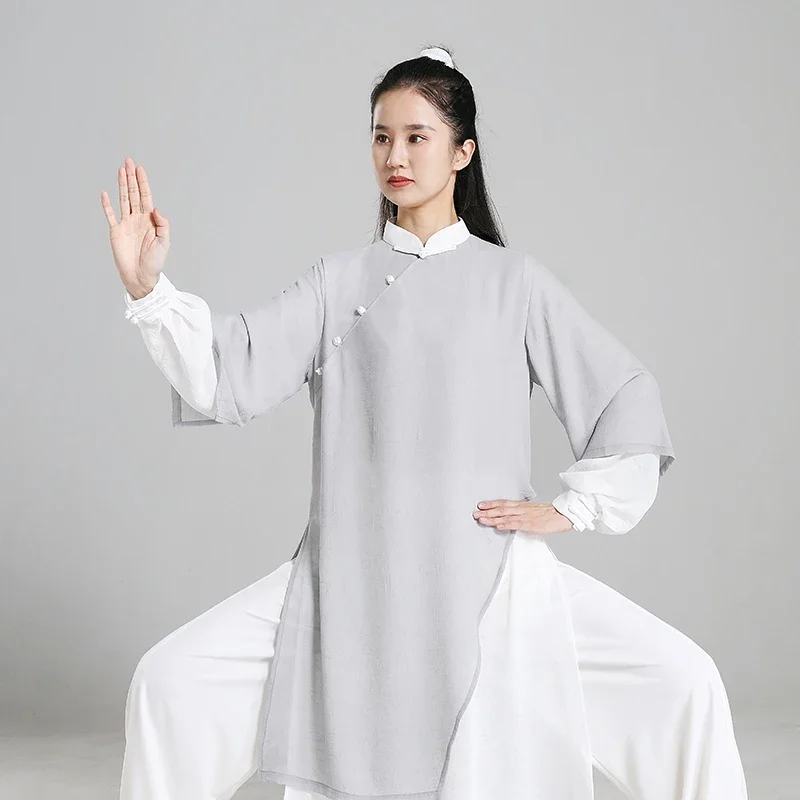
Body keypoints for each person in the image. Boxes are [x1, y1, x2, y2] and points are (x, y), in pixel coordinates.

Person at [102, 45, 748, 800]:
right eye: (382, 137)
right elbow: (230, 370)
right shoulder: (337, 284)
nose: (396, 156)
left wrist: (574, 507)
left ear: (462, 152)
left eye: (417, 136)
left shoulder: (514, 283)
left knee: (686, 682)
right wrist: (149, 291)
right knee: (168, 683)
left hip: (493, 583)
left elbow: (623, 395)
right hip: (346, 582)